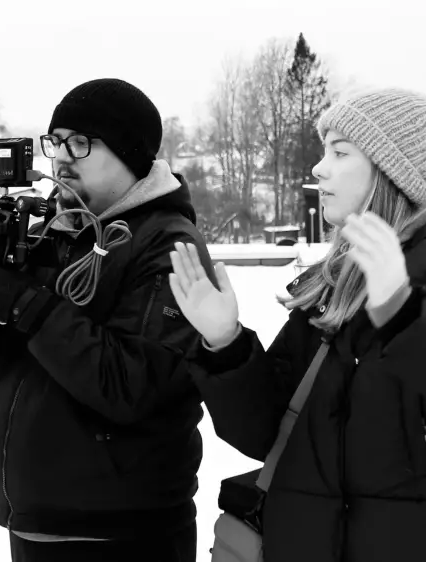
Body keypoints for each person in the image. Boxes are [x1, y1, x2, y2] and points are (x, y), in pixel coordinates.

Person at [0, 78, 212, 562]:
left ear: (130, 152)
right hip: (38, 521)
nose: (62, 157)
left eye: (80, 142)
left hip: (124, 532)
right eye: (56, 141)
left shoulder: (168, 246)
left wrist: (25, 304)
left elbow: (132, 386)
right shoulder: (57, 234)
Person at [169, 87, 426, 561]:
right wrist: (226, 345)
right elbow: (265, 436)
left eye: (340, 152)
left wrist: (402, 318)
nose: (318, 168)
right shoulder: (331, 288)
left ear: (395, 173)